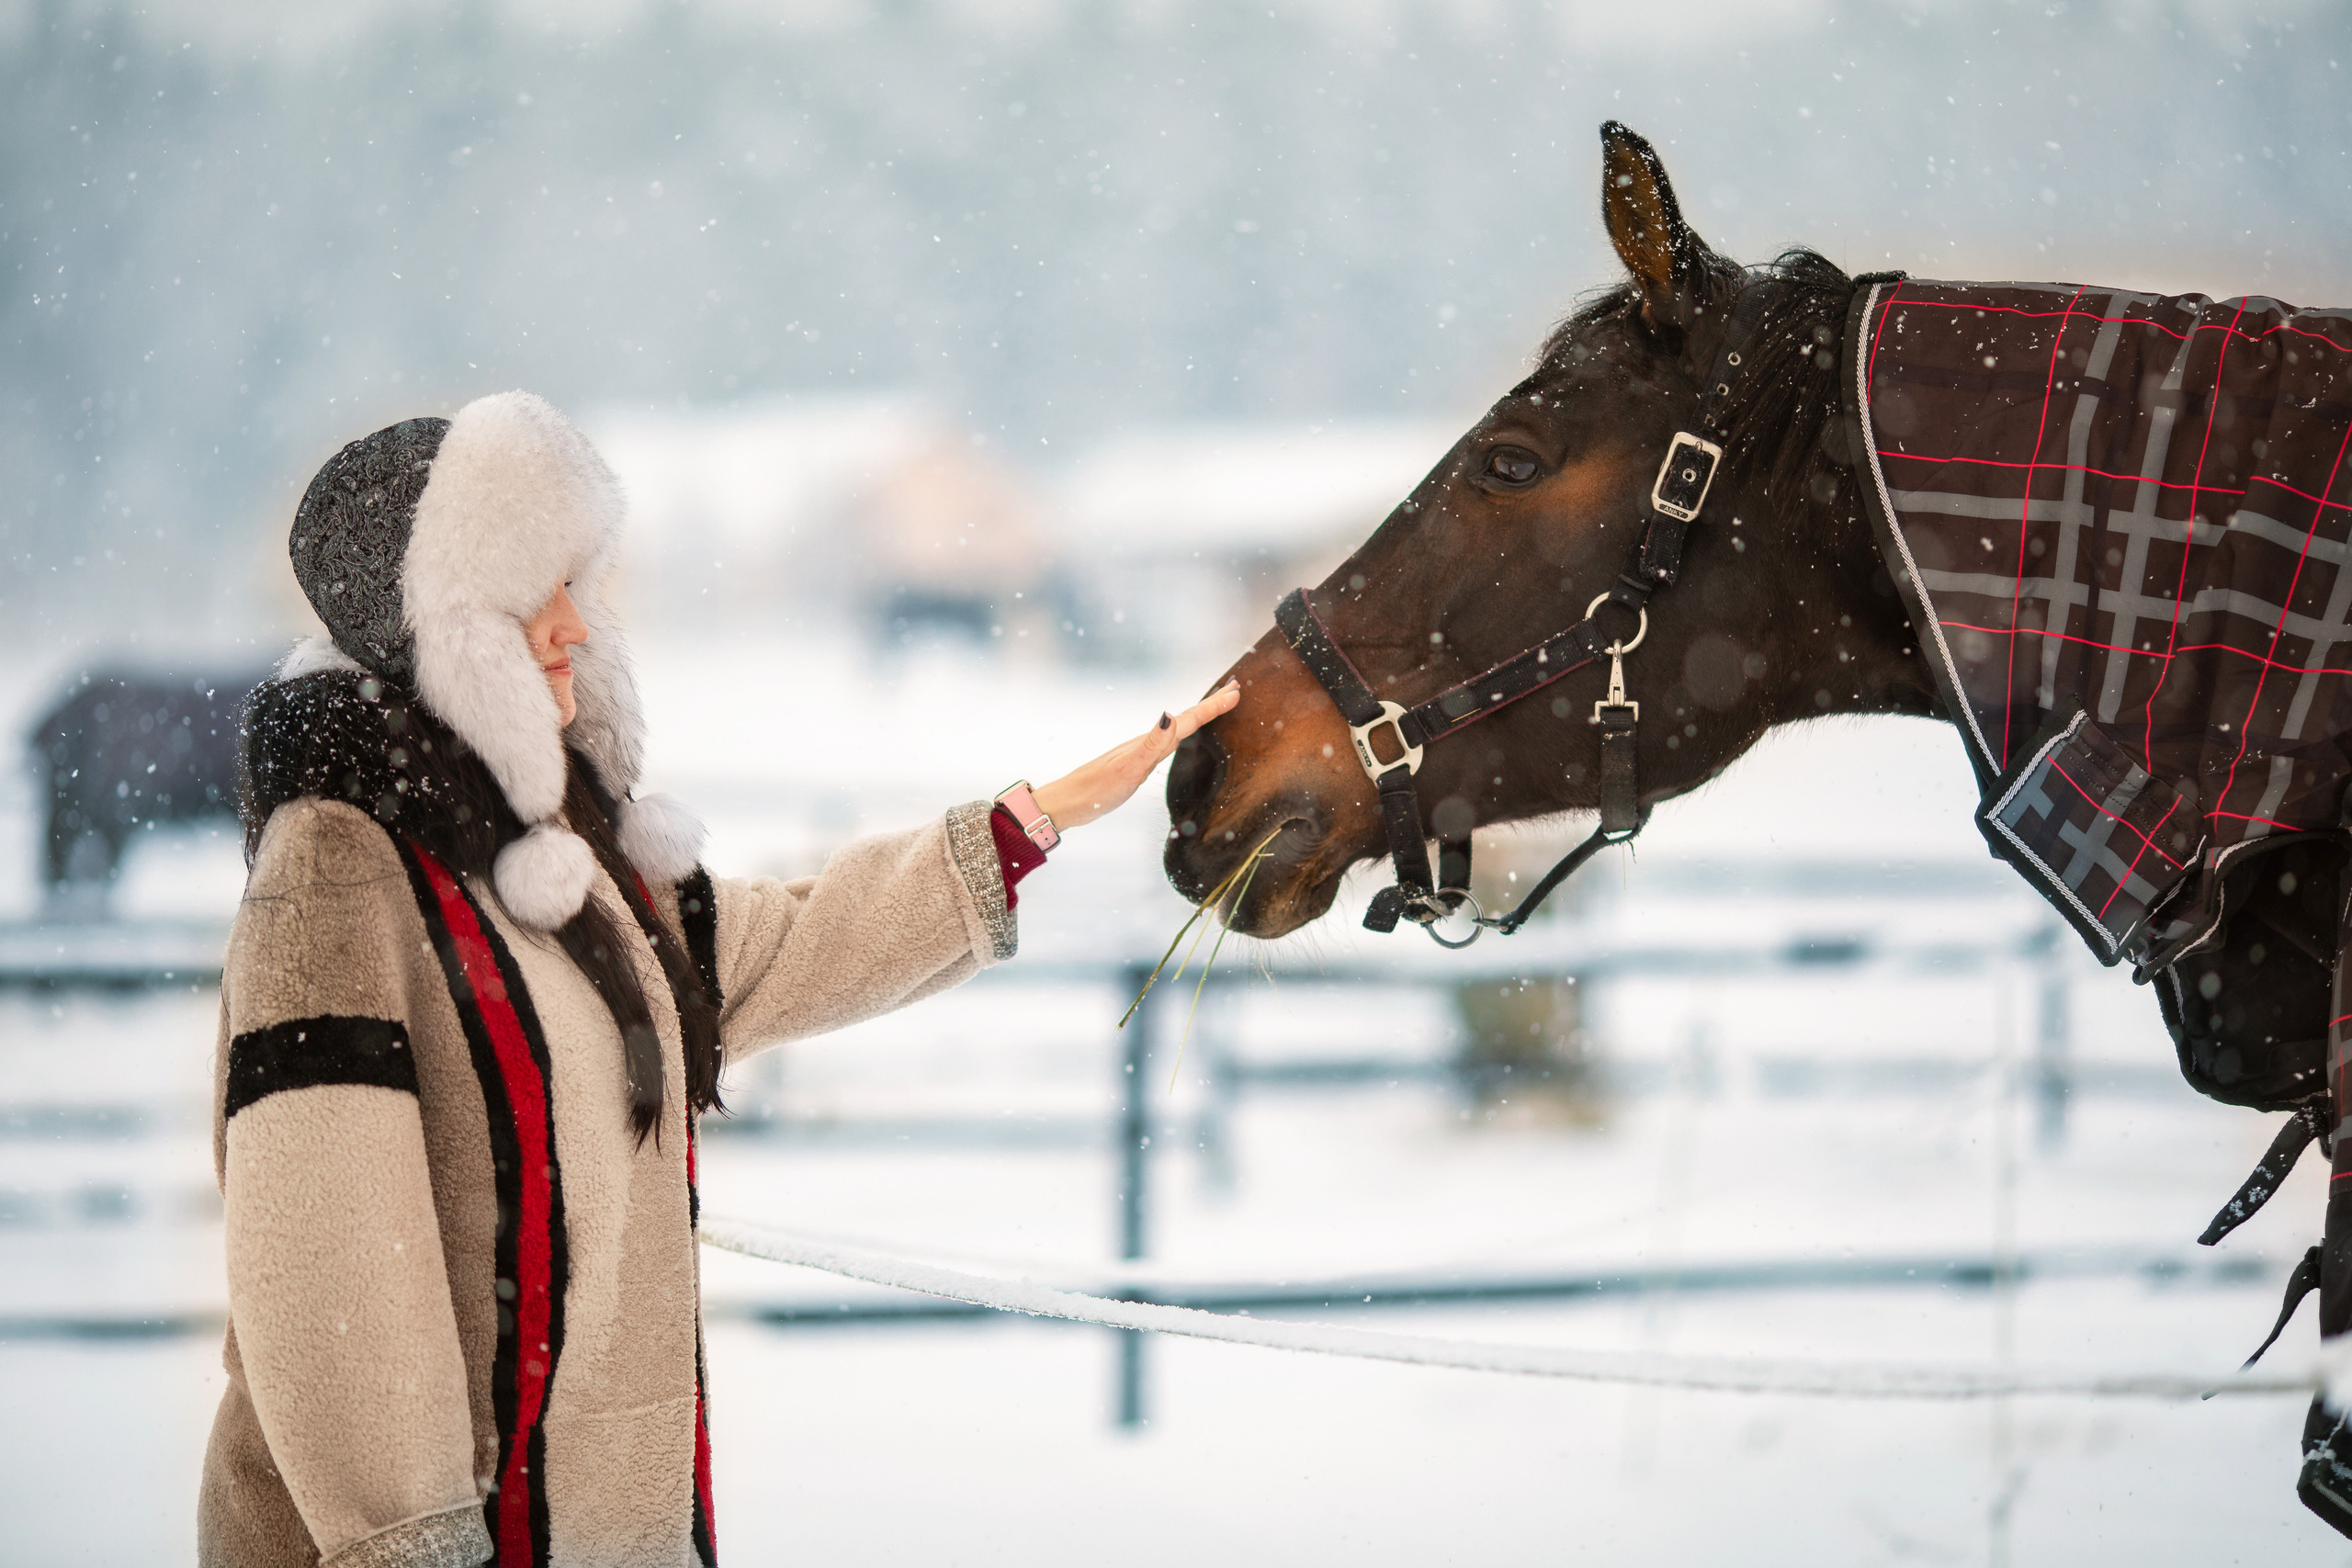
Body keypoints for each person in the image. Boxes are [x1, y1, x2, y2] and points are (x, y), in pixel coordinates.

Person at [198, 390, 1238, 1568]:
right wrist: (413, 1548)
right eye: (531, 594)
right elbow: (329, 1277)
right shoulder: (337, 875)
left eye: (573, 588)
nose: (573, 628)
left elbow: (787, 943)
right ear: (435, 623)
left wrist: (1041, 815)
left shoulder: (553, 866)